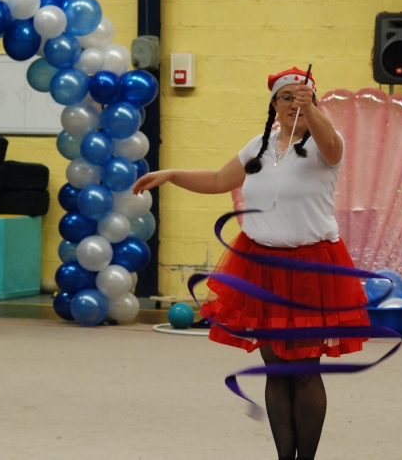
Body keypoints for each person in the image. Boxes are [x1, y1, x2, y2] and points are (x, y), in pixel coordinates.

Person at [133, 67, 370, 460]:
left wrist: (311, 109)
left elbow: (330, 143)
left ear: (315, 101)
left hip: (310, 269)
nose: (295, 104)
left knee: (305, 370)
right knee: (275, 368)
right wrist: (172, 174)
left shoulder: (326, 145)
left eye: (304, 97)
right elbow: (216, 179)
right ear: (274, 104)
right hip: (261, 266)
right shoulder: (258, 146)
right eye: (287, 97)